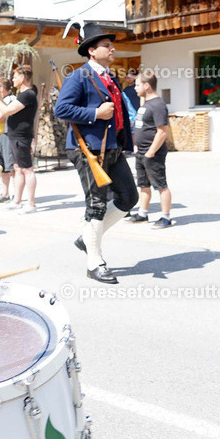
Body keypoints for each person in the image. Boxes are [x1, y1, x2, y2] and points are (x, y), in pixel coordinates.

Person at [55, 22, 139, 284]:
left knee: (129, 197)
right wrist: (94, 114)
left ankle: (87, 238)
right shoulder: (78, 77)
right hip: (87, 149)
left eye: (111, 44)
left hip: (112, 148)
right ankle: (95, 262)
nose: (112, 48)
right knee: (97, 205)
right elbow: (62, 109)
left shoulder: (110, 77)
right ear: (91, 51)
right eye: (106, 45)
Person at [0, 65, 38, 212]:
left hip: (21, 137)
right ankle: (17, 200)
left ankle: (31, 203)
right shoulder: (22, 95)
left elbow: (6, 111)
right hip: (14, 136)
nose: (13, 79)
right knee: (17, 169)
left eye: (15, 77)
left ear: (22, 78)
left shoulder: (27, 95)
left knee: (27, 169)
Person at [127, 71, 172, 228]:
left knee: (160, 185)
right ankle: (142, 214)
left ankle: (166, 217)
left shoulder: (158, 105)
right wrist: (137, 146)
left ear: (147, 86)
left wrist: (151, 151)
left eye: (137, 84)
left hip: (152, 153)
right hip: (141, 152)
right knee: (143, 185)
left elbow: (162, 132)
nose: (134, 87)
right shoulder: (145, 104)